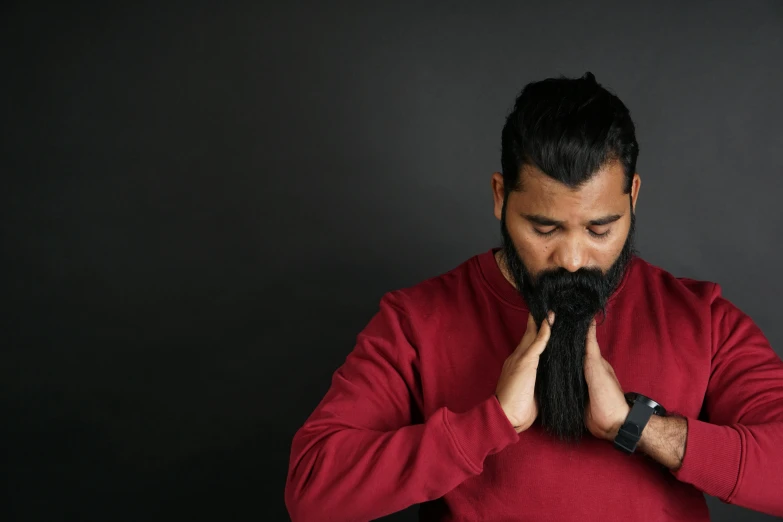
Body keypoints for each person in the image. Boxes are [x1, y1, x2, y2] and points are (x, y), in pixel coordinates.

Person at [284, 72, 783, 521]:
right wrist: (490, 423)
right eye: (544, 227)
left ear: (633, 197)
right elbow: (312, 491)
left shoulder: (701, 319)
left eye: (599, 229)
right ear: (501, 197)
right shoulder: (416, 321)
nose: (571, 258)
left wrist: (638, 426)